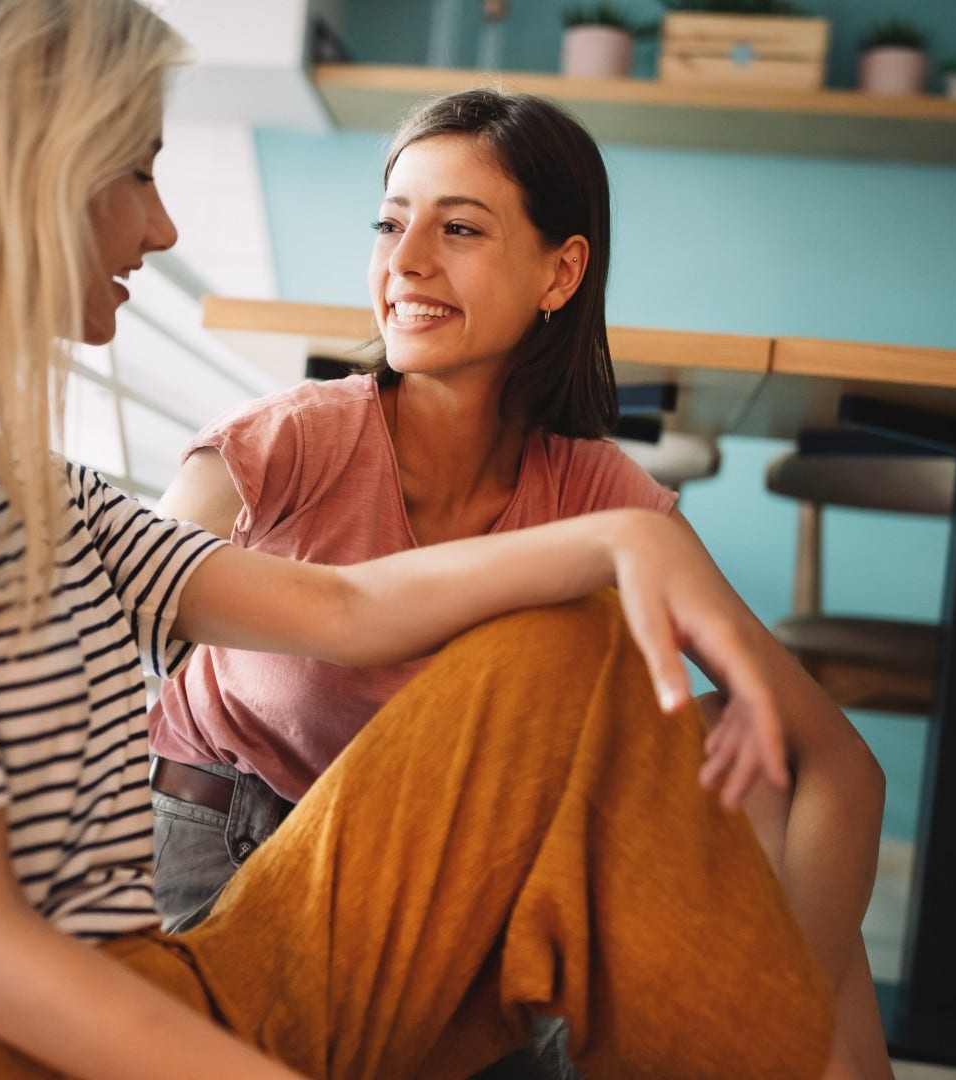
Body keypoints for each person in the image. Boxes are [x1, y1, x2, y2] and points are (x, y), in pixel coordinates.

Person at [0, 1, 844, 1076]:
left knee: (574, 663)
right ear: (25, 174)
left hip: (165, 980)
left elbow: (348, 611)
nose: (163, 227)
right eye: (135, 170)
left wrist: (625, 550)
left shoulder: (20, 479)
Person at [147, 90, 893, 1080]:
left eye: (457, 227)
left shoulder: (597, 494)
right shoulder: (292, 441)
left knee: (736, 765)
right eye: (391, 221)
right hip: (233, 877)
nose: (406, 260)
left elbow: (836, 762)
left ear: (561, 270)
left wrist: (775, 986)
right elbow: (108, 617)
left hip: (453, 906)